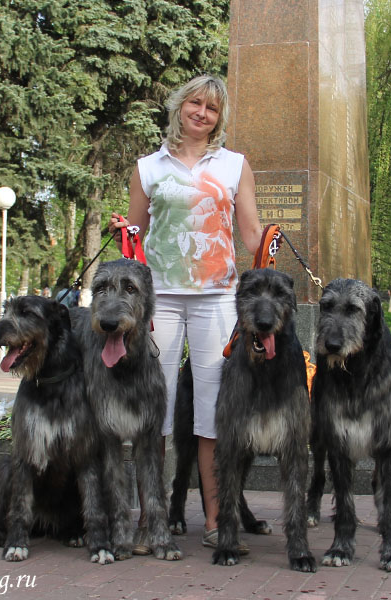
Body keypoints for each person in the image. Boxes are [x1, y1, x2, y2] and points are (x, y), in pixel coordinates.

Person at [108, 74, 262, 552]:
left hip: (217, 297)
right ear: (179, 107)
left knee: (214, 415)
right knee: (155, 414)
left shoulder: (235, 165)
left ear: (220, 119)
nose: (202, 113)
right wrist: (125, 236)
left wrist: (270, 248)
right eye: (195, 103)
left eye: (212, 109)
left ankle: (216, 521)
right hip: (162, 300)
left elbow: (252, 234)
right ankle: (151, 521)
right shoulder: (148, 167)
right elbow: (135, 235)